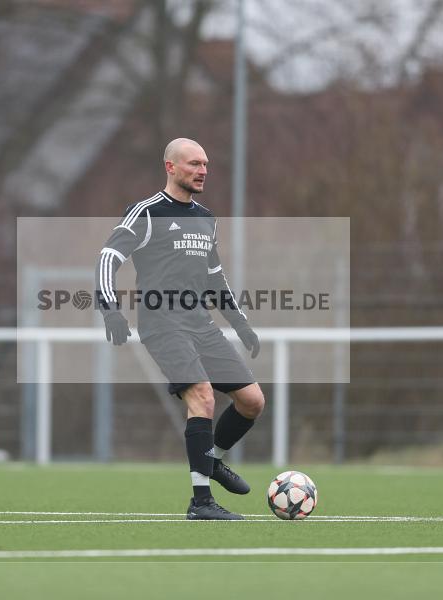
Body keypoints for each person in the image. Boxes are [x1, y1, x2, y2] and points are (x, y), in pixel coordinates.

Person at [95, 138, 265, 520]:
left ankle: (212, 460)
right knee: (202, 397)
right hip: (163, 323)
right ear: (171, 167)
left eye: (205, 164)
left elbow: (215, 279)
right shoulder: (146, 211)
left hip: (199, 324)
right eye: (193, 164)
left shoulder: (206, 217)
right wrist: (111, 311)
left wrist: (240, 323)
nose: (202, 170)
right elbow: (108, 258)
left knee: (252, 401)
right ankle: (201, 502)